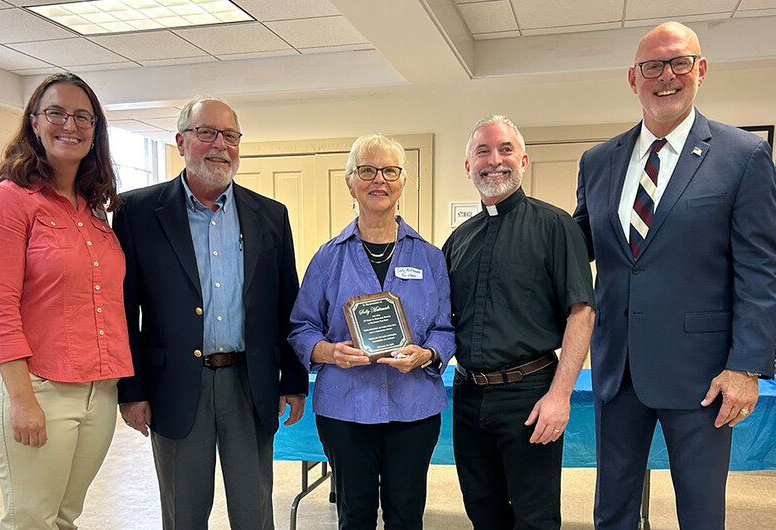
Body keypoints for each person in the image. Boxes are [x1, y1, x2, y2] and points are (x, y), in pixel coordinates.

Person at [573, 22, 776, 529]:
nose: (665, 76)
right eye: (652, 66)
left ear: (700, 70)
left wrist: (747, 367)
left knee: (701, 509)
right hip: (617, 369)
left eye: (679, 62)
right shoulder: (598, 161)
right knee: (613, 508)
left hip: (704, 376)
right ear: (632, 78)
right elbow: (576, 249)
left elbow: (759, 269)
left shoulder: (742, 155)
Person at [113, 96, 307, 530]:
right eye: (207, 133)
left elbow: (286, 305)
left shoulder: (270, 216)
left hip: (248, 380)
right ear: (181, 141)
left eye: (231, 136)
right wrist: (131, 390)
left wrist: (293, 381)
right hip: (176, 386)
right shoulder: (137, 213)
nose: (220, 145)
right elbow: (124, 310)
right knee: (183, 511)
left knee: (254, 510)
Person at [0, 72, 132, 529]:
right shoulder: (7, 201)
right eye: (57, 113)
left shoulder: (93, 211)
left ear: (95, 132)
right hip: (36, 388)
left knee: (64, 517)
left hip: (97, 390)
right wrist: (22, 401)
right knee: (31, 520)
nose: (71, 124)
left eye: (83, 116)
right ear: (35, 124)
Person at [288, 134, 455, 529]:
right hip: (346, 409)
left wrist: (426, 354)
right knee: (355, 514)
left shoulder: (429, 257)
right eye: (367, 170)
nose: (379, 179)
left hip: (413, 408)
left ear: (402, 182)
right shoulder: (328, 258)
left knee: (406, 514)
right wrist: (329, 352)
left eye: (389, 171)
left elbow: (446, 329)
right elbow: (301, 327)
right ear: (351, 182)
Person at [443, 115, 595, 529]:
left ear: (523, 161)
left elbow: (582, 312)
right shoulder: (458, 240)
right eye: (483, 151)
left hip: (530, 395)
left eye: (506, 149)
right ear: (468, 166)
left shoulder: (556, 226)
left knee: (535, 517)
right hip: (469, 395)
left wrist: (560, 396)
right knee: (482, 508)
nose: (495, 160)